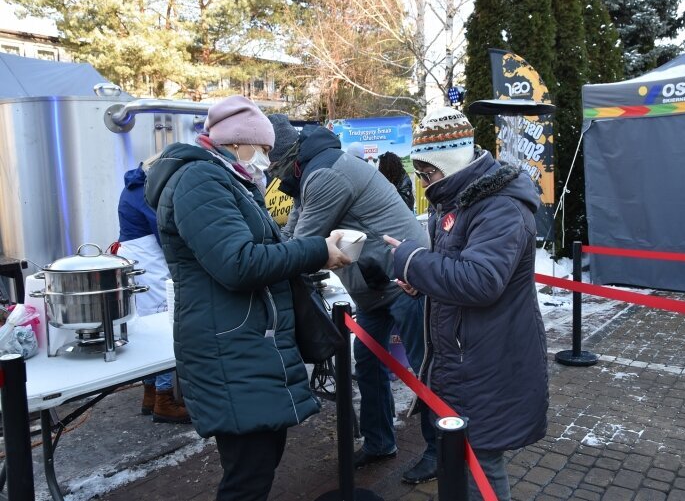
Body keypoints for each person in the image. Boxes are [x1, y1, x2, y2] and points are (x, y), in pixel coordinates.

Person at [144, 95, 351, 501]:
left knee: (259, 464)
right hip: (229, 348)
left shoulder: (228, 180)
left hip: (244, 346)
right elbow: (237, 263)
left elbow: (257, 254)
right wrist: (317, 250)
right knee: (248, 476)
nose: (268, 160)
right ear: (239, 142)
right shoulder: (199, 180)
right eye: (265, 148)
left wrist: (308, 258)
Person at [384, 107, 549, 500]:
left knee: (481, 465)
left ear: (451, 162)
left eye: (429, 173)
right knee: (463, 460)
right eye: (419, 175)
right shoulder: (457, 200)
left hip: (489, 360)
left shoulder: (499, 206)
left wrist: (411, 260)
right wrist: (421, 283)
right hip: (465, 359)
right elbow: (458, 270)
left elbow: (480, 281)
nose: (424, 184)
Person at [272, 124, 438, 483]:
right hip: (373, 286)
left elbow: (302, 242)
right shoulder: (312, 173)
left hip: (404, 282)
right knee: (367, 364)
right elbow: (292, 233)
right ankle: (380, 442)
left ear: (285, 157)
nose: (270, 176)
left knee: (425, 368)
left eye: (271, 167)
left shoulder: (326, 176)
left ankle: (441, 449)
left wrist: (270, 260)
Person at [115, 156, 190, 424]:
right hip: (150, 263)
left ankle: (149, 394)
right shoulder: (144, 191)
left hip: (138, 260)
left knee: (147, 327)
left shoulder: (133, 187)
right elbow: (164, 228)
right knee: (165, 325)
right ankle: (164, 399)